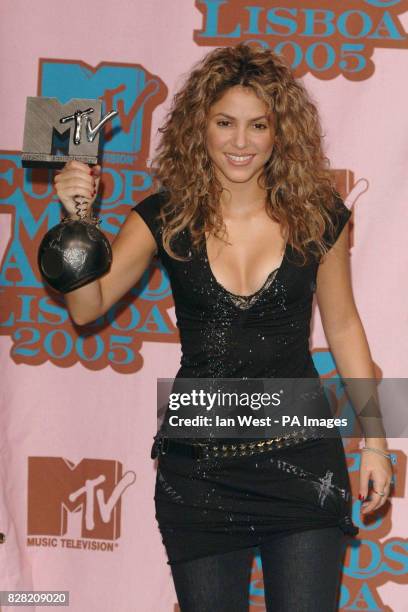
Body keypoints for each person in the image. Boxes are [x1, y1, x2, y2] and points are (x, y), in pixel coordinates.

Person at [54, 43, 393, 612]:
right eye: (225, 123)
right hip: (199, 471)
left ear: (280, 131)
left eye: (258, 125)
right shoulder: (163, 216)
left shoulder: (318, 214)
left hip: (302, 457)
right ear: (198, 127)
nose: (241, 142)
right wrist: (77, 217)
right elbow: (86, 308)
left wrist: (377, 441)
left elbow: (344, 327)